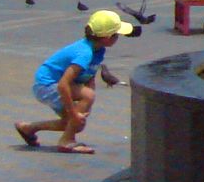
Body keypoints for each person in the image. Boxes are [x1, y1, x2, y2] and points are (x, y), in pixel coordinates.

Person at [15, 8, 133, 154]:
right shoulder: (84, 53)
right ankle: (67, 141)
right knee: (83, 104)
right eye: (117, 34)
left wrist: (82, 111)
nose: (118, 37)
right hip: (46, 85)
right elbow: (63, 84)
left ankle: (28, 128)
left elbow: (89, 77)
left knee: (75, 124)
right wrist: (73, 112)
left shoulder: (98, 50)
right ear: (107, 37)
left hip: (58, 85)